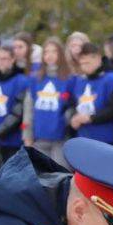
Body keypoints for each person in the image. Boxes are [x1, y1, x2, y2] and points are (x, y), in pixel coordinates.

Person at [24, 37, 72, 166]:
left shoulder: (69, 78)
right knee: (42, 176)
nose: (49, 55)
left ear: (60, 54)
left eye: (54, 51)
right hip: (39, 136)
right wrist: (27, 135)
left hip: (60, 137)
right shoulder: (36, 78)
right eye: (46, 52)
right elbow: (29, 108)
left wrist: (64, 121)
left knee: (60, 173)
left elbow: (72, 106)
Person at [68, 42, 113, 145]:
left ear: (98, 59)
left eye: (87, 63)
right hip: (83, 136)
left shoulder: (112, 79)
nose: (84, 67)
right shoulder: (79, 81)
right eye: (82, 64)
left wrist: (90, 118)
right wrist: (73, 117)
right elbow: (73, 104)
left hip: (105, 138)